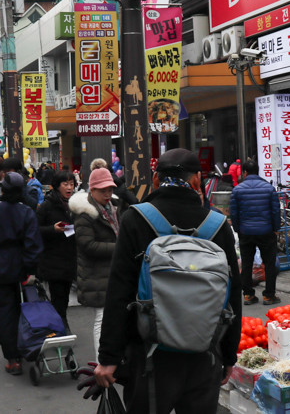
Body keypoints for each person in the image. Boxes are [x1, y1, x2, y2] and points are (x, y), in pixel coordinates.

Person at [95, 148, 243, 413]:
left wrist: (108, 357)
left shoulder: (135, 219)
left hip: (149, 356)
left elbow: (119, 291)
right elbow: (233, 295)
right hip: (205, 354)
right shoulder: (218, 225)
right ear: (197, 181)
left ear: (155, 180)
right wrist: (230, 354)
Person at [0, 172, 43, 375]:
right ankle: (29, 348)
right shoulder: (27, 212)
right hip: (20, 266)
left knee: (3, 314)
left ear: (2, 190)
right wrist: (31, 269)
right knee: (26, 310)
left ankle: (12, 359)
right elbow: (33, 244)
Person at [70, 167, 125, 358]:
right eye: (103, 191)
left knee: (114, 318)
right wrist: (119, 248)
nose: (108, 194)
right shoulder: (85, 214)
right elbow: (88, 246)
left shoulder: (114, 208)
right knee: (102, 319)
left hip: (112, 272)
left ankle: (111, 360)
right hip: (96, 275)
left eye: (110, 189)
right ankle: (100, 361)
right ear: (92, 190)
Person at [230, 158, 281, 306]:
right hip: (266, 231)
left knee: (247, 264)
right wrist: (275, 228)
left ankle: (248, 295)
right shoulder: (269, 188)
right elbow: (275, 211)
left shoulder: (237, 189)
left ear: (245, 172)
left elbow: (234, 213)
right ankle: (269, 295)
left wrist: (237, 229)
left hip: (246, 231)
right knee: (269, 264)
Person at [36, 170, 77, 328]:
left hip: (69, 258)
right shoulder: (47, 206)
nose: (69, 187)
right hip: (52, 259)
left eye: (72, 184)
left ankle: (60, 324)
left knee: (64, 296)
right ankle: (61, 327)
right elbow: (35, 230)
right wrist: (52, 229)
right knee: (58, 296)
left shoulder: (75, 205)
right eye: (65, 184)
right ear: (56, 186)